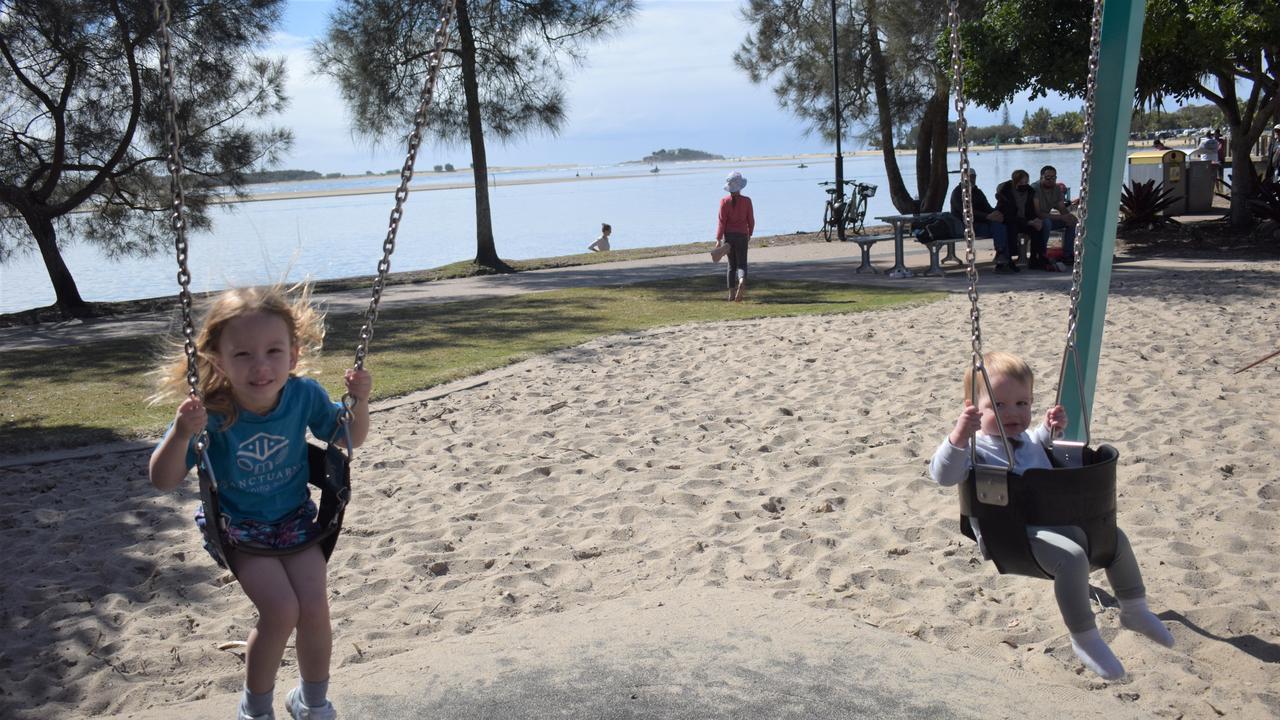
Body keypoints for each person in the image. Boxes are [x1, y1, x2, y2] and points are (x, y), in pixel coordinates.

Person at [149, 284, 373, 720]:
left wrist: (359, 401)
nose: (260, 367)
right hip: (237, 525)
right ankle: (255, 710)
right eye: (244, 355)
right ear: (217, 359)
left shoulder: (302, 394)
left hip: (293, 519)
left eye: (273, 351)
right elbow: (162, 479)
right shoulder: (210, 411)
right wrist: (180, 433)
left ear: (292, 354)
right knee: (281, 609)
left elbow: (349, 438)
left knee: (313, 607)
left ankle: (312, 703)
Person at [930, 351, 1175, 680]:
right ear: (972, 408)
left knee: (1114, 539)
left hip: (1058, 522)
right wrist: (958, 436)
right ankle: (1085, 638)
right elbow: (943, 475)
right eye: (998, 406)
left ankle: (1134, 609)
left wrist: (1049, 429)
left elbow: (1037, 445)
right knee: (1072, 558)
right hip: (1014, 536)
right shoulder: (976, 448)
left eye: (1022, 403)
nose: (1013, 414)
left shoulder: (1026, 439)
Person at [949, 169, 1014, 272]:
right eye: (968, 177)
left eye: (973, 177)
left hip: (981, 223)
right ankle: (1002, 257)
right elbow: (965, 212)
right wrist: (987, 216)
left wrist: (997, 213)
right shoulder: (957, 193)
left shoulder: (978, 192)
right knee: (998, 228)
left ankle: (1003, 257)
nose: (971, 179)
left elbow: (987, 208)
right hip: (965, 226)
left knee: (1002, 225)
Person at [715, 171, 755, 302]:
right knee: (742, 264)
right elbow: (751, 220)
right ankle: (742, 280)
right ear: (741, 187)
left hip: (729, 237)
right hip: (742, 235)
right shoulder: (747, 201)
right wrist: (750, 233)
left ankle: (731, 294)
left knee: (731, 266)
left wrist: (718, 239)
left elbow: (722, 222)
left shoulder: (724, 202)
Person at [994, 169, 1042, 270]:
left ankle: (1035, 259)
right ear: (1015, 182)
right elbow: (1007, 214)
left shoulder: (1030, 192)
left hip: (1026, 220)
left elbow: (1031, 211)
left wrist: (1035, 220)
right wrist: (1028, 222)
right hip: (1010, 220)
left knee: (1037, 229)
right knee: (1011, 228)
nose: (1024, 185)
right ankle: (1009, 259)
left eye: (1026, 182)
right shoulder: (1005, 193)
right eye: (1021, 182)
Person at [1032, 165, 1078, 271]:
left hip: (1047, 218)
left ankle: (1068, 254)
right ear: (1041, 177)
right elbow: (1038, 213)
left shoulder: (1057, 188)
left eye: (1053, 178)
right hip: (1035, 220)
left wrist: (1069, 217)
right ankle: (1042, 255)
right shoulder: (1035, 188)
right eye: (1047, 178)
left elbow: (1061, 207)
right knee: (1046, 222)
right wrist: (1062, 217)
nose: (1050, 180)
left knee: (1071, 222)